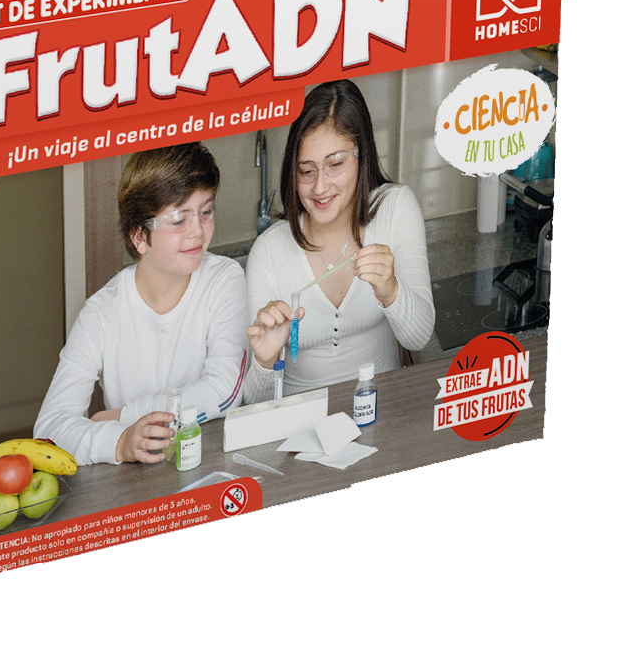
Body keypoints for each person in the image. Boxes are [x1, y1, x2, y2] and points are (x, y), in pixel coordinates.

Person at [34, 142, 248, 464]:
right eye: (179, 219)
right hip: (136, 478)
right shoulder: (101, 313)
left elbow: (225, 392)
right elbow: (50, 428)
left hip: (209, 461)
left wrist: (123, 416)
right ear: (138, 236)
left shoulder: (223, 279)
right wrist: (120, 441)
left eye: (206, 212)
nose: (198, 232)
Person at [244, 80, 435, 403]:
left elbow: (418, 339)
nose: (320, 187)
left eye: (335, 164)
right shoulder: (268, 251)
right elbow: (254, 402)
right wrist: (265, 362)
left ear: (362, 155)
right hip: (301, 423)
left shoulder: (395, 208)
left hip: (383, 411)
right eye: (306, 171)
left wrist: (391, 291)